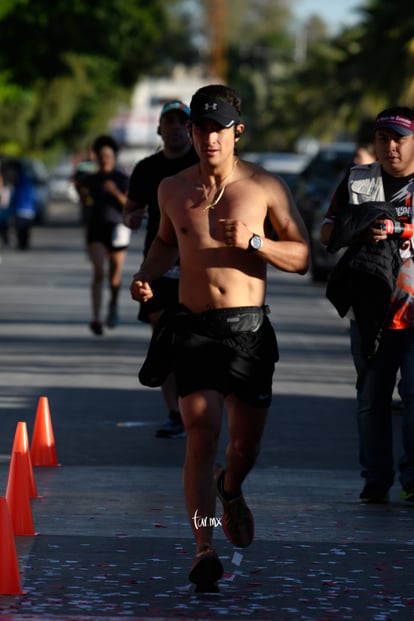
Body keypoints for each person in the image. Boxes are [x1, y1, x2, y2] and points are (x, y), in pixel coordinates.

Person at [130, 84, 310, 592]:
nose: (209, 138)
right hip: (192, 330)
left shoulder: (265, 187)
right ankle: (203, 545)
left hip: (247, 331)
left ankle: (231, 490)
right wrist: (147, 274)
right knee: (201, 436)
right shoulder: (171, 188)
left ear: (237, 132)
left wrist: (256, 242)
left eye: (218, 129)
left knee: (244, 446)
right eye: (200, 127)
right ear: (190, 131)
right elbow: (167, 243)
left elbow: (302, 258)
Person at [320, 106, 414, 505]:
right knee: (371, 399)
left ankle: (413, 480)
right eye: (383, 139)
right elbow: (326, 231)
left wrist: (397, 228)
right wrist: (357, 227)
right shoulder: (358, 179)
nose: (390, 147)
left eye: (399, 139)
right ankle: (376, 478)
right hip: (369, 311)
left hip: (411, 310)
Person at [123, 100, 199, 439]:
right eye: (168, 122)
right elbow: (130, 210)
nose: (174, 128)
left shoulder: (201, 164)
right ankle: (174, 413)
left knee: (192, 342)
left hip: (196, 263)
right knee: (163, 338)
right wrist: (132, 218)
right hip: (159, 263)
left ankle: (195, 407)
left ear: (190, 129)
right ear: (159, 129)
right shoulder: (147, 168)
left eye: (181, 122)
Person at [77, 135, 130, 335]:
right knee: (98, 272)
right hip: (96, 228)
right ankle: (96, 318)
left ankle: (113, 305)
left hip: (117, 229)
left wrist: (115, 192)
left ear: (114, 157)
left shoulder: (122, 178)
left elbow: (128, 205)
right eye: (101, 156)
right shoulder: (91, 179)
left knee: (113, 278)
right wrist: (82, 193)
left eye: (108, 155)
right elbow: (85, 201)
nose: (105, 159)